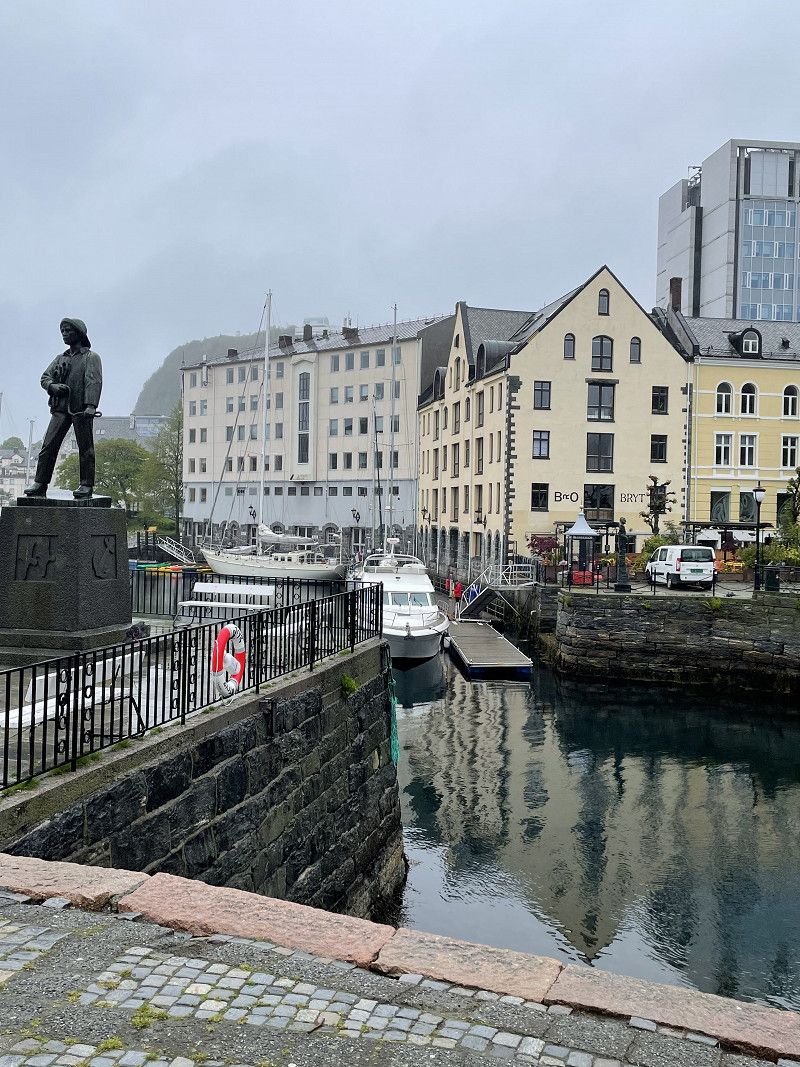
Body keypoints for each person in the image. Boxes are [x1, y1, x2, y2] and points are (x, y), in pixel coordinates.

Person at [24, 318, 102, 500]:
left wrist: (91, 406)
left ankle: (86, 485)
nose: (64, 334)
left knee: (85, 448)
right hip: (60, 408)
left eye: (68, 330)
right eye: (62, 331)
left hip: (81, 409)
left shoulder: (91, 357)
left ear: (79, 333)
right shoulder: (60, 358)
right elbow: (45, 377)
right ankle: (40, 483)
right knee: (48, 445)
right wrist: (52, 386)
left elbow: (94, 381)